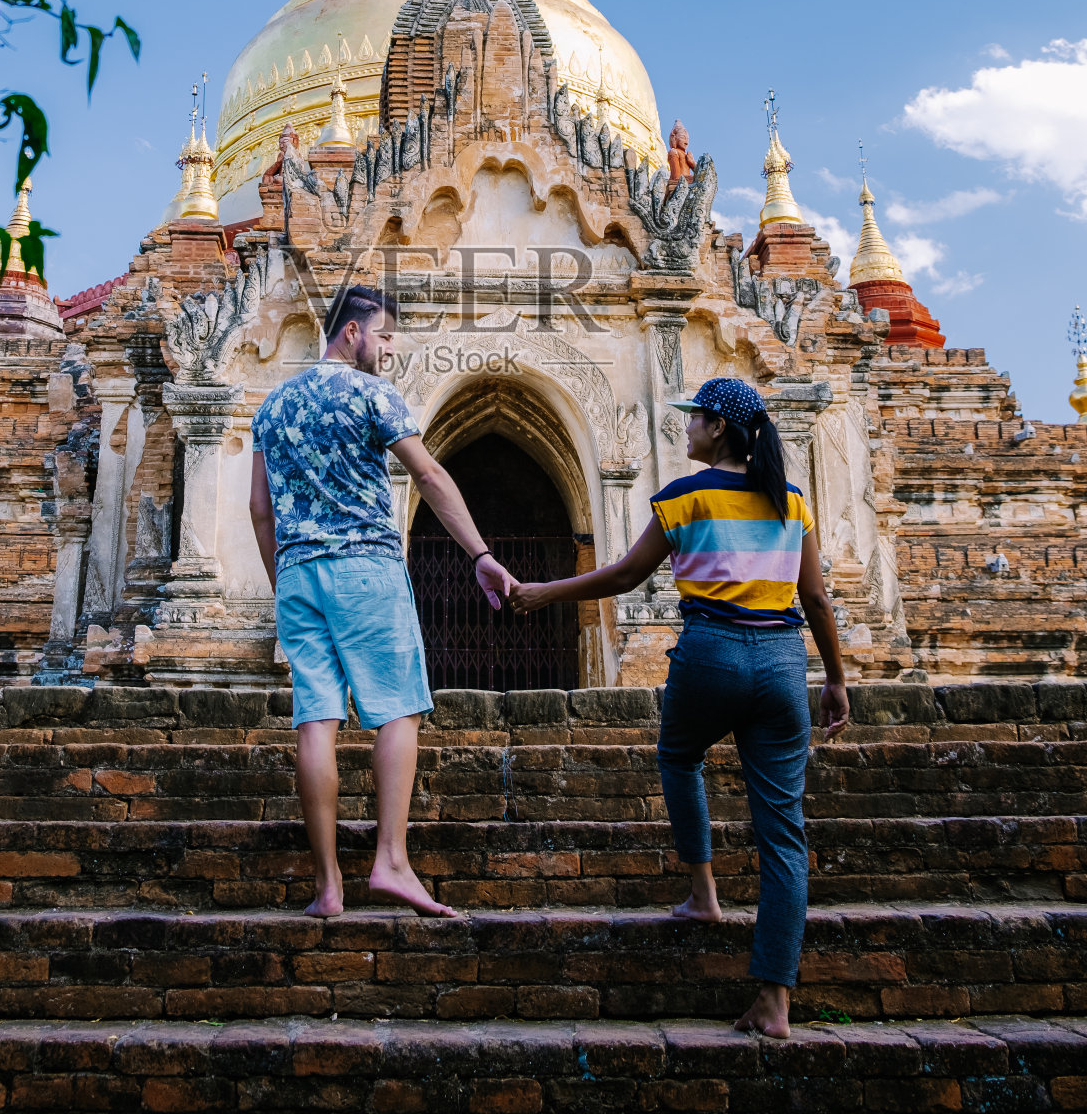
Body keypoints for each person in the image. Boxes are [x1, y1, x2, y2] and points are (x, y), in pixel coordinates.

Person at [510, 376, 849, 1039]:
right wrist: (836, 677)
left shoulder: (684, 497)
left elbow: (623, 576)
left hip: (712, 651)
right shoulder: (791, 501)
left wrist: (546, 592)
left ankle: (703, 893)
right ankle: (775, 1003)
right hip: (783, 664)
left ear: (718, 426)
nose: (687, 428)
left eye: (694, 418)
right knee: (784, 836)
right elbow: (817, 599)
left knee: (679, 755)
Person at [249, 284, 517, 919]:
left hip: (297, 574)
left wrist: (282, 578)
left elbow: (260, 511)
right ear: (351, 333)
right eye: (386, 334)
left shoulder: (272, 404)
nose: (391, 347)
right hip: (365, 566)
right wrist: (480, 553)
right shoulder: (370, 393)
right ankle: (390, 861)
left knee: (316, 720)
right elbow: (428, 473)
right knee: (396, 708)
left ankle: (328, 887)